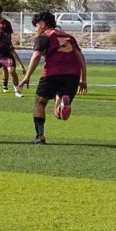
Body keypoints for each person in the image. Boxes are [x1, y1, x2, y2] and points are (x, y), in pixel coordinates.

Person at [16, 11, 88, 145]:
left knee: (40, 103)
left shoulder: (44, 37)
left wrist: (27, 76)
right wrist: (83, 79)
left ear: (42, 24)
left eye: (36, 26)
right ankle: (61, 103)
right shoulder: (69, 37)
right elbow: (80, 56)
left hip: (52, 74)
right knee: (58, 114)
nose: (36, 29)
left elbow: (36, 56)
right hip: (73, 76)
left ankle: (40, 137)